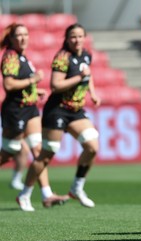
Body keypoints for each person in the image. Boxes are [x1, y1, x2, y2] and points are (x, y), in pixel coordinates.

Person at [18, 23, 101, 210]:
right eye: (73, 37)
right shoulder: (62, 58)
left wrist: (92, 93)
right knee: (46, 155)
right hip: (57, 110)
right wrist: (80, 77)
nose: (77, 40)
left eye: (80, 36)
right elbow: (55, 85)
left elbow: (89, 74)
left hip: (75, 111)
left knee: (92, 146)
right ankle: (25, 194)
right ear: (66, 38)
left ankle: (77, 187)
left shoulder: (86, 54)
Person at [0, 23, 69, 211]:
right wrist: (32, 80)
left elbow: (19, 84)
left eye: (26, 34)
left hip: (30, 108)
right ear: (12, 39)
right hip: (15, 111)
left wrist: (33, 90)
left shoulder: (23, 57)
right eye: (19, 35)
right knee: (9, 152)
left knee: (39, 151)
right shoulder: (10, 57)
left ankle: (47, 195)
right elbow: (8, 85)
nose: (23, 38)